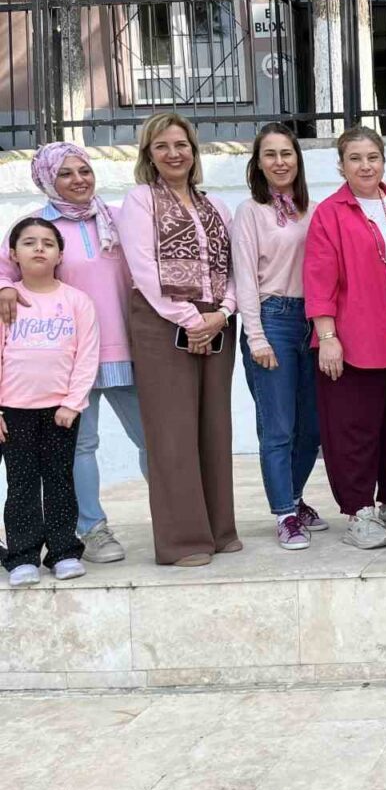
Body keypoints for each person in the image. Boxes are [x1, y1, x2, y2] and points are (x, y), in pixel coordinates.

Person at [0, 142, 145, 565]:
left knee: (153, 440)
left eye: (84, 170)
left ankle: (174, 519)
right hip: (71, 361)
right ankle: (92, 529)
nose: (79, 180)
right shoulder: (38, 227)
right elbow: (6, 268)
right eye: (65, 173)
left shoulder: (118, 219)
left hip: (128, 349)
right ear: (48, 180)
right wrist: (5, 288)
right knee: (82, 446)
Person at [120, 112, 239, 566]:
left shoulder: (216, 205)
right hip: (161, 321)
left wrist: (222, 314)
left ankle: (219, 529)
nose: (174, 154)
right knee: (172, 432)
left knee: (214, 427)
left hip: (217, 321)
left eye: (181, 145)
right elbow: (143, 268)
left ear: (193, 150)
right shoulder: (140, 201)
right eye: (162, 146)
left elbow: (232, 268)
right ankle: (183, 541)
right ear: (149, 155)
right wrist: (190, 319)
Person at [305, 125, 386, 551]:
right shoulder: (330, 213)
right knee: (354, 429)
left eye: (372, 157)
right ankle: (359, 511)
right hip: (355, 337)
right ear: (341, 165)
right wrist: (327, 336)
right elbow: (319, 279)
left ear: (384, 161)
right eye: (355, 159)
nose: (365, 166)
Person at [233, 123, 324, 551]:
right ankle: (285, 513)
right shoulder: (251, 211)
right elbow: (245, 278)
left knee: (312, 427)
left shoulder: (314, 210)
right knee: (279, 426)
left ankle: (295, 496)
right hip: (273, 319)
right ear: (258, 163)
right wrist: (256, 337)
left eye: (286, 153)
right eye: (270, 154)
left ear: (297, 160)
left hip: (313, 320)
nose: (280, 161)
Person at [1, 219, 99, 587]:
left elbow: (87, 355)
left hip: (61, 410)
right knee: (21, 484)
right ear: (13, 254)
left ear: (60, 254)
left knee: (60, 481)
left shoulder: (77, 301)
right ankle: (23, 555)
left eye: (48, 242)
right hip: (13, 410)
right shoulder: (7, 300)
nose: (39, 248)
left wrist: (73, 403)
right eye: (29, 242)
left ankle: (63, 551)